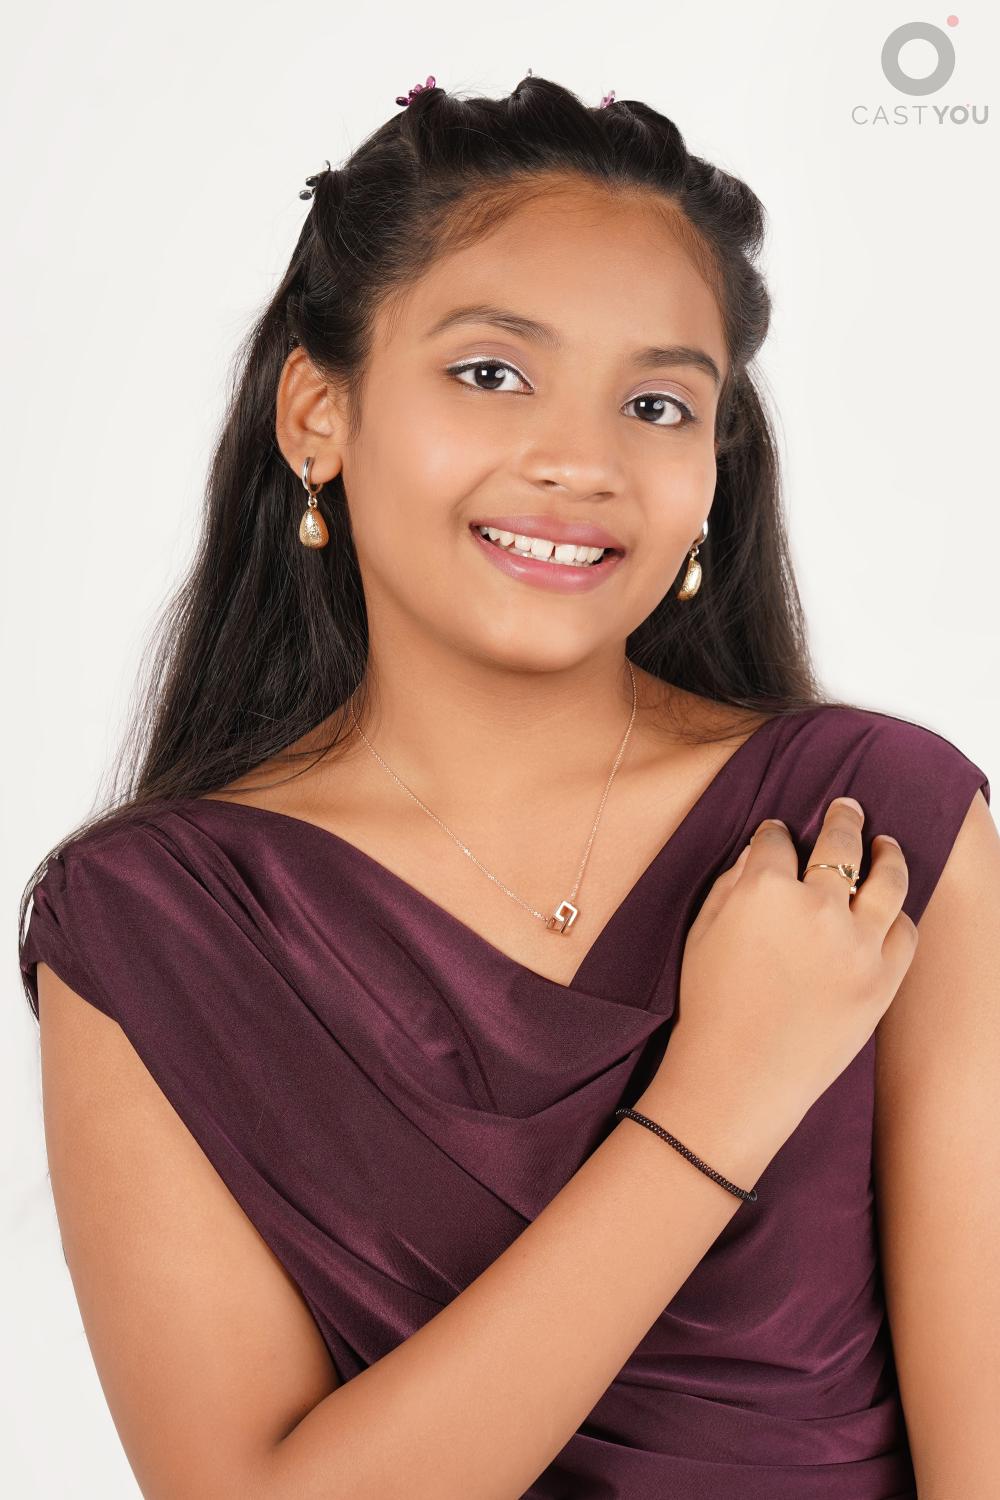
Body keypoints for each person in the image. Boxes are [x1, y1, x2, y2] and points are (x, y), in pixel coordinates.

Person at [17, 73, 998, 1500]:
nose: (582, 463)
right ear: (319, 413)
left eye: (657, 403)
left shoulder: (874, 828)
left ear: (712, 466)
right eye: (491, 374)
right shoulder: (155, 925)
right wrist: (722, 1099)